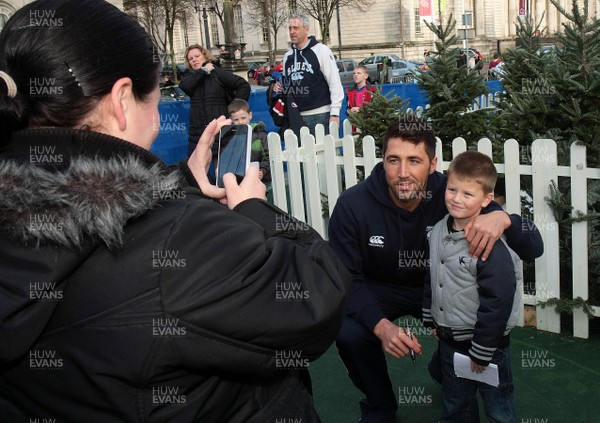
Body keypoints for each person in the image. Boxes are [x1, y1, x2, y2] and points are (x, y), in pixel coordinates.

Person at [0, 1, 351, 421]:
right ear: (122, 100)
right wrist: (255, 209)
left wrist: (183, 180)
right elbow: (317, 297)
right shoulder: (178, 245)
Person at [328, 120, 543, 423]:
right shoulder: (352, 205)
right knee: (349, 331)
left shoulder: (453, 192)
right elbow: (347, 278)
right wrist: (381, 326)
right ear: (383, 161)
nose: (403, 172)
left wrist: (505, 220)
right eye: (394, 160)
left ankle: (442, 366)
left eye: (414, 161)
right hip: (378, 289)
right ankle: (379, 405)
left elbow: (533, 248)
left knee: (470, 310)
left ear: (432, 164)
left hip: (437, 287)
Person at [423, 151, 521, 423]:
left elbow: (498, 300)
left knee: (498, 407)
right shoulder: (439, 230)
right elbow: (433, 271)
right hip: (450, 341)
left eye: (467, 194)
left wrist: (482, 349)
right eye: (452, 189)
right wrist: (431, 313)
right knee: (456, 405)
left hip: (488, 347)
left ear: (486, 200)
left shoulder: (489, 244)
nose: (456, 198)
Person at [273, 14, 344, 135]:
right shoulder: (288, 56)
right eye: (290, 28)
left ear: (306, 29)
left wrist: (335, 113)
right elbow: (287, 84)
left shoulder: (321, 50)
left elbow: (334, 82)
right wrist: (279, 87)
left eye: (296, 28)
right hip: (297, 116)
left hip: (321, 114)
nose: (292, 32)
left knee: (325, 153)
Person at [179, 44, 251, 157]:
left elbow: (243, 85)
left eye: (197, 56)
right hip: (197, 132)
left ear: (205, 55)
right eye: (190, 58)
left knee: (223, 168)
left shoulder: (217, 72)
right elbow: (185, 86)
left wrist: (235, 108)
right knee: (195, 168)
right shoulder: (189, 77)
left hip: (220, 129)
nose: (194, 60)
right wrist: (203, 71)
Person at [228, 98, 271, 184]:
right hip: (239, 181)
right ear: (231, 120)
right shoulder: (230, 137)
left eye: (243, 118)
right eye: (236, 120)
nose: (240, 122)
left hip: (260, 181)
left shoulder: (261, 135)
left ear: (250, 115)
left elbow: (269, 157)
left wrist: (262, 171)